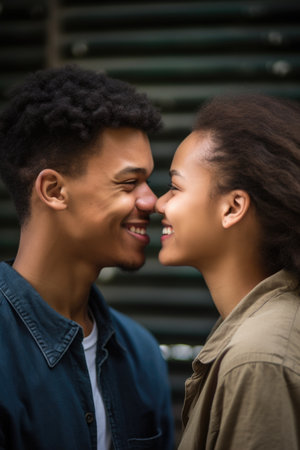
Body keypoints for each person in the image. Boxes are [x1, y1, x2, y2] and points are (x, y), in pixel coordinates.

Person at [0, 65, 174, 450]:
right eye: (129, 183)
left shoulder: (142, 355)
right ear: (54, 190)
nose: (152, 201)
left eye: (148, 182)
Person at [156, 94, 300, 450]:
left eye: (175, 187)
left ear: (232, 207)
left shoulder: (258, 359)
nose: (159, 203)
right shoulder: (260, 333)